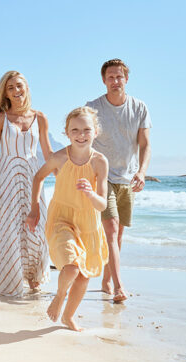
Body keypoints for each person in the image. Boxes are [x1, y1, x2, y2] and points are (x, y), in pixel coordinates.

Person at [25, 106, 109, 331]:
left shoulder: (100, 162)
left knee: (84, 276)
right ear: (67, 132)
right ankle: (60, 297)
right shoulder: (59, 158)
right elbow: (38, 177)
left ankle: (68, 317)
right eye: (75, 130)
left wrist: (90, 193)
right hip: (61, 219)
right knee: (71, 266)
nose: (81, 135)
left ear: (95, 132)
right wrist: (35, 208)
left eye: (86, 130)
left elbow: (103, 204)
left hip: (89, 223)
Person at [0, 71, 53, 296]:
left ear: (26, 87)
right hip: (7, 175)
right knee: (8, 226)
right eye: (11, 88)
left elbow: (47, 151)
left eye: (19, 86)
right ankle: (11, 277)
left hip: (32, 175)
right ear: (5, 93)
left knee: (37, 225)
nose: (16, 91)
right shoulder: (0, 118)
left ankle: (34, 276)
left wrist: (64, 171)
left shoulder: (40, 118)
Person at [86, 59, 151, 302]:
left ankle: (105, 281)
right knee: (111, 230)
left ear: (126, 79)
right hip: (103, 177)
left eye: (119, 77)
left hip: (127, 179)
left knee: (118, 234)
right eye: (110, 77)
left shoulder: (139, 107)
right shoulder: (93, 108)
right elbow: (83, 140)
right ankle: (119, 285)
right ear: (104, 80)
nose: (115, 81)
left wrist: (142, 172)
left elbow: (145, 145)